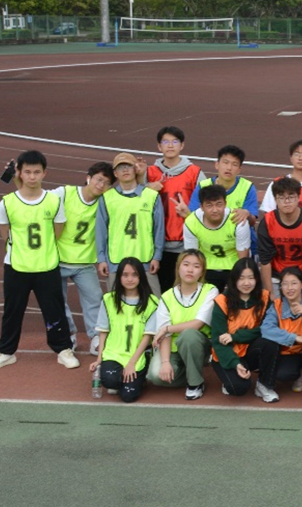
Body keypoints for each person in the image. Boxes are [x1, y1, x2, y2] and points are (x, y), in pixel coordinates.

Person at [0, 150, 79, 371]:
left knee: (54, 310)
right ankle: (6, 352)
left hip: (46, 265)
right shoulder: (6, 203)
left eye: (37, 172)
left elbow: (57, 232)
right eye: (27, 172)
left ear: (44, 173)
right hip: (16, 266)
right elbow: (5, 235)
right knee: (12, 311)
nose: (32, 176)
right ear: (19, 172)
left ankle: (63, 349)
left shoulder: (53, 201)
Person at [57, 161, 115, 355]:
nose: (101, 185)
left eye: (106, 183)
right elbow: (39, 198)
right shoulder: (65, 193)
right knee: (57, 300)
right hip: (57, 259)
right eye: (98, 179)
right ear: (88, 178)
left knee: (95, 298)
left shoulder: (105, 202)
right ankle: (68, 335)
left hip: (84, 262)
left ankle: (96, 337)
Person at [149, 249, 218, 400]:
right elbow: (165, 336)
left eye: (196, 266)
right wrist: (165, 362)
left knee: (189, 334)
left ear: (202, 272)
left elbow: (198, 324)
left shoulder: (210, 291)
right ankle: (191, 372)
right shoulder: (167, 297)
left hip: (199, 345)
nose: (190, 270)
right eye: (186, 264)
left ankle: (195, 384)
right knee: (155, 376)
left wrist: (167, 328)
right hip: (174, 347)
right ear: (178, 267)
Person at [89, 257, 159, 403]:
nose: (130, 279)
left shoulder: (152, 302)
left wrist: (132, 363)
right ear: (119, 277)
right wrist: (99, 358)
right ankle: (119, 377)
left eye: (134, 275)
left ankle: (139, 378)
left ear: (141, 276)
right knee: (110, 381)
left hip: (137, 355)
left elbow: (147, 337)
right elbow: (103, 332)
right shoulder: (109, 299)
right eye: (125, 275)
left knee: (128, 396)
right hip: (114, 353)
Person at [145, 126, 205, 292]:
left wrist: (189, 214)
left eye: (175, 141)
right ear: (159, 146)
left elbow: (206, 206)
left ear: (182, 145)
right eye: (165, 142)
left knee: (185, 290)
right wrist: (146, 188)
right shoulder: (150, 173)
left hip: (185, 243)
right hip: (157, 245)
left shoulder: (194, 172)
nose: (170, 145)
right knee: (161, 293)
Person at [209, 258, 278, 402]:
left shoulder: (264, 297)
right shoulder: (222, 301)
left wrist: (236, 336)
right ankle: (228, 375)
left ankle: (264, 384)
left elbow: (268, 329)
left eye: (251, 278)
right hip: (228, 352)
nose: (246, 283)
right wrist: (235, 363)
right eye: (241, 278)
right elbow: (218, 340)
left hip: (251, 350)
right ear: (234, 279)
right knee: (238, 388)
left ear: (257, 279)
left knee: (271, 341)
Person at [96, 152, 164, 294]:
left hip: (145, 260)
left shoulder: (151, 196)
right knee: (115, 303)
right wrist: (101, 259)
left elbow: (159, 229)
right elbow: (101, 231)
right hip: (115, 261)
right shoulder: (107, 198)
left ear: (135, 169)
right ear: (115, 173)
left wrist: (157, 256)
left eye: (128, 166)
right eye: (121, 168)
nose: (125, 170)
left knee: (154, 302)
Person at [261, 267, 302, 401]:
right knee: (283, 375)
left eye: (294, 283)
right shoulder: (277, 304)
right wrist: (295, 338)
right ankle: (300, 372)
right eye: (285, 284)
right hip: (290, 350)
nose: (289, 288)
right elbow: (266, 329)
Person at [257, 177, 302, 300]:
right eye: (281, 197)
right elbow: (265, 259)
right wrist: (269, 292)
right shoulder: (268, 222)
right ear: (275, 200)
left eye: (291, 197)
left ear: (299, 197)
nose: (287, 201)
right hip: (277, 273)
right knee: (272, 307)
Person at [182, 184, 250, 293]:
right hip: (205, 267)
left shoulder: (238, 220)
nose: (215, 210)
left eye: (219, 204)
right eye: (209, 205)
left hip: (233, 267)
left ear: (225, 204)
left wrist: (238, 281)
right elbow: (192, 256)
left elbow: (242, 259)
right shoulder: (191, 222)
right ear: (201, 207)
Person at [181, 145, 258, 239]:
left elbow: (252, 221)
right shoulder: (203, 186)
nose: (229, 168)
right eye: (225, 162)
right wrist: (187, 213)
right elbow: (194, 217)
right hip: (208, 240)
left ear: (239, 170)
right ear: (217, 165)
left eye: (234, 164)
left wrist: (247, 214)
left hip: (240, 241)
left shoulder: (248, 187)